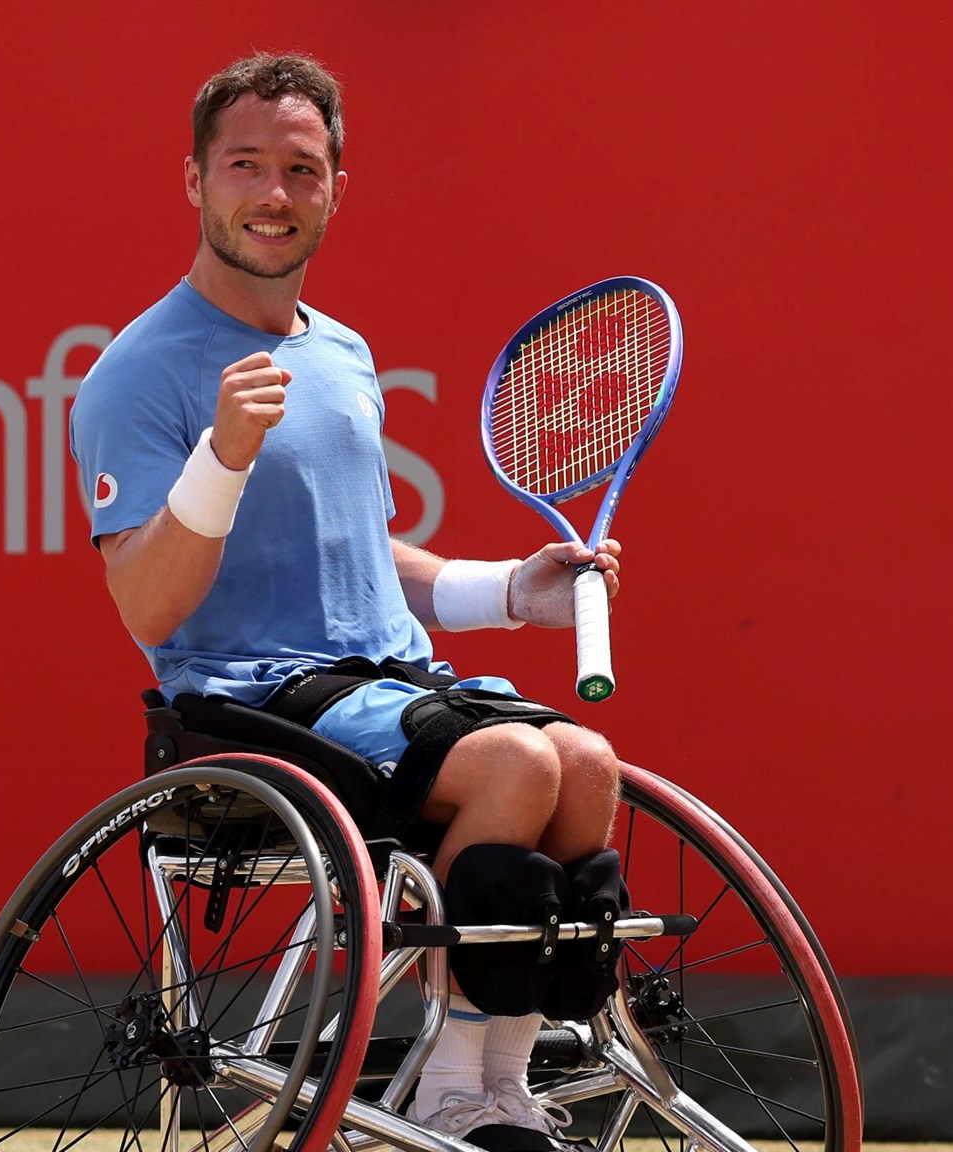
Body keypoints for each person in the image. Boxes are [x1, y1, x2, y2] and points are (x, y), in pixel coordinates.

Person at [70, 52, 629, 1152]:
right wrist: (219, 457)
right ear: (193, 181)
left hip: (385, 680)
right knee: (517, 763)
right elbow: (144, 605)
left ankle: (494, 1080)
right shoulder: (135, 374)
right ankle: (448, 1098)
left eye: (300, 169)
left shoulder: (343, 353)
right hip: (252, 701)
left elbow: (368, 560)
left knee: (589, 762)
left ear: (334, 187)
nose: (272, 195)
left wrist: (512, 591)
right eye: (244, 166)